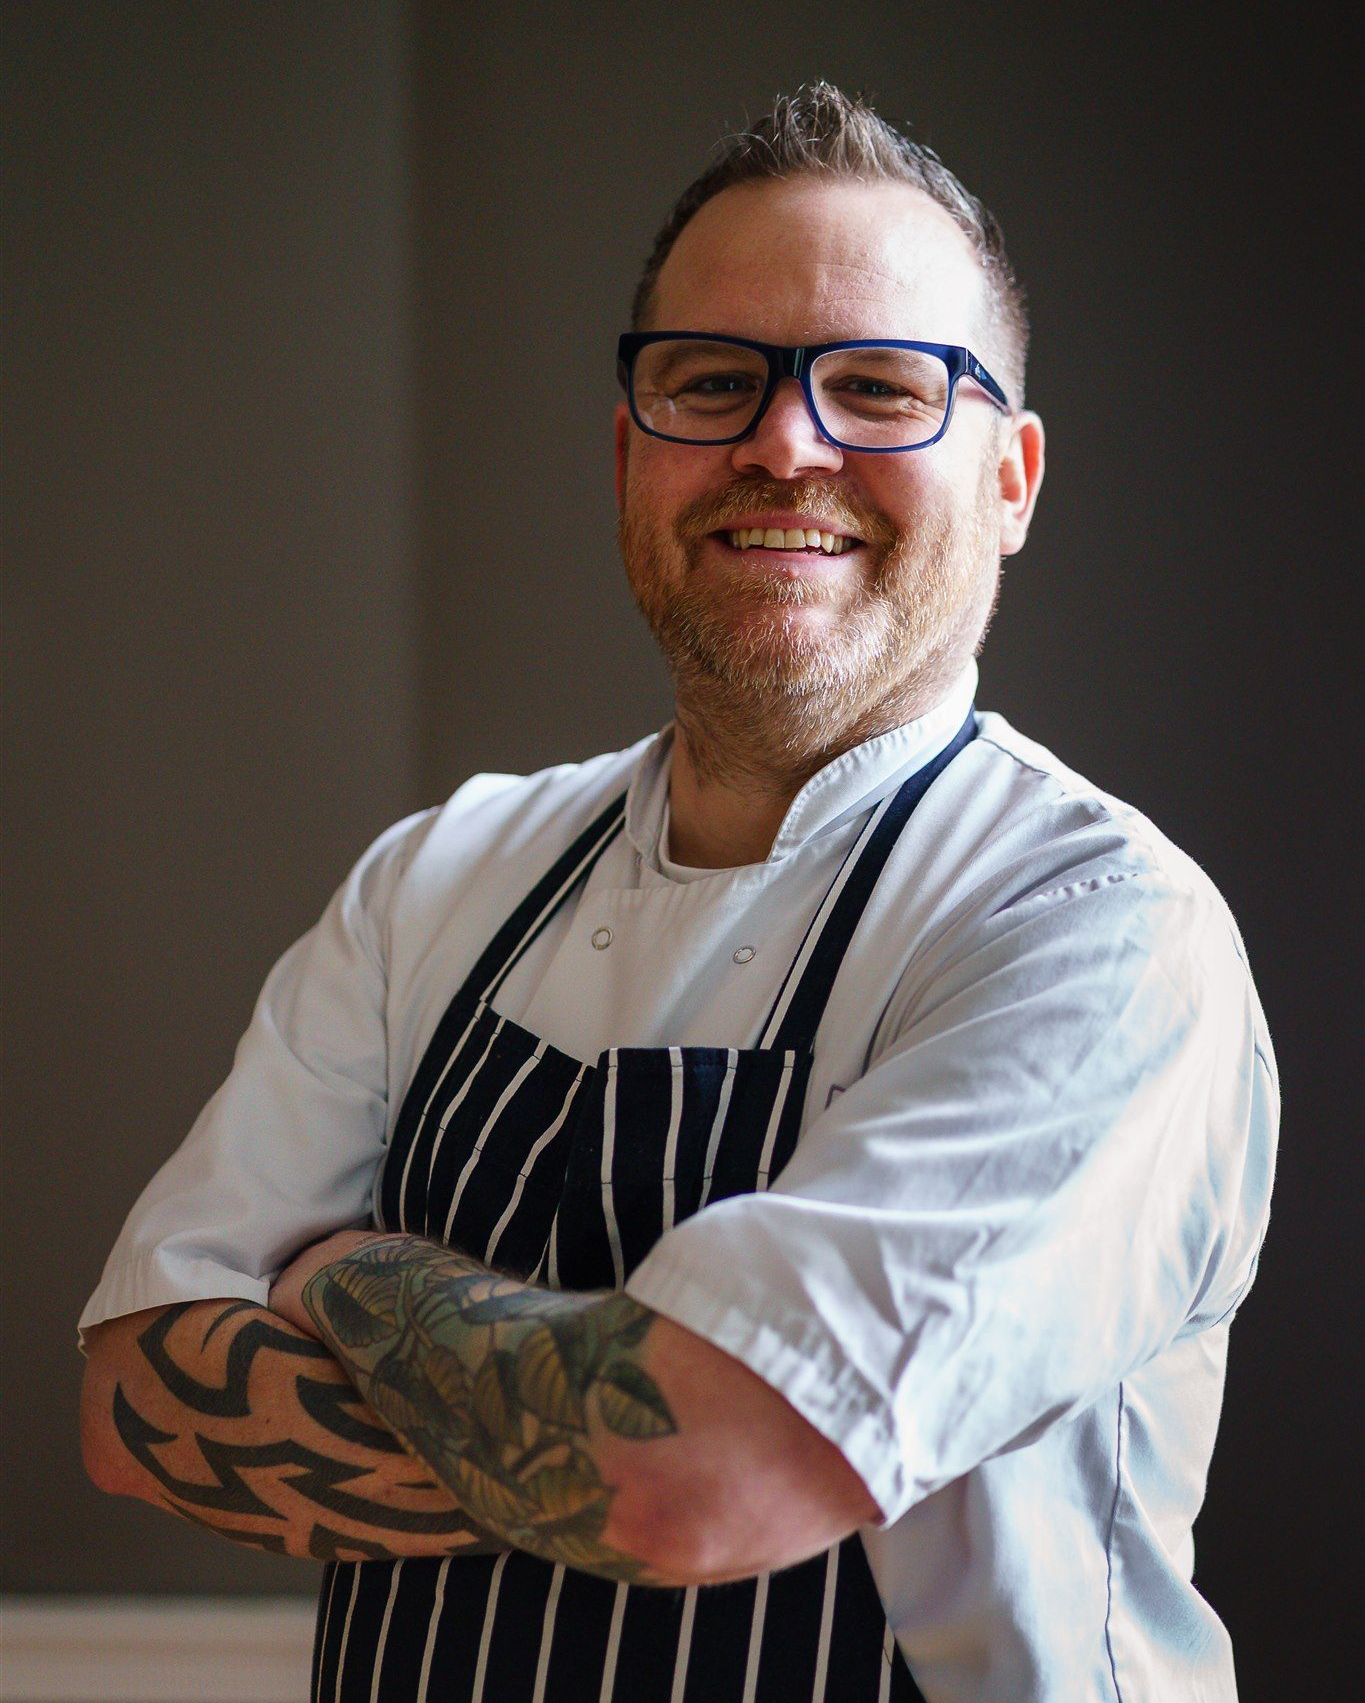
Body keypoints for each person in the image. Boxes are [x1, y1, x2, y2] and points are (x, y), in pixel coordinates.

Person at [78, 82, 1277, 1703]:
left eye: (879, 386)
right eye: (714, 382)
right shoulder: (442, 873)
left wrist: (344, 1272)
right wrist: (626, 1421)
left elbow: (689, 1481)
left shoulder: (1094, 932)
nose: (786, 442)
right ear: (630, 451)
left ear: (1012, 478)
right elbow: (140, 1402)